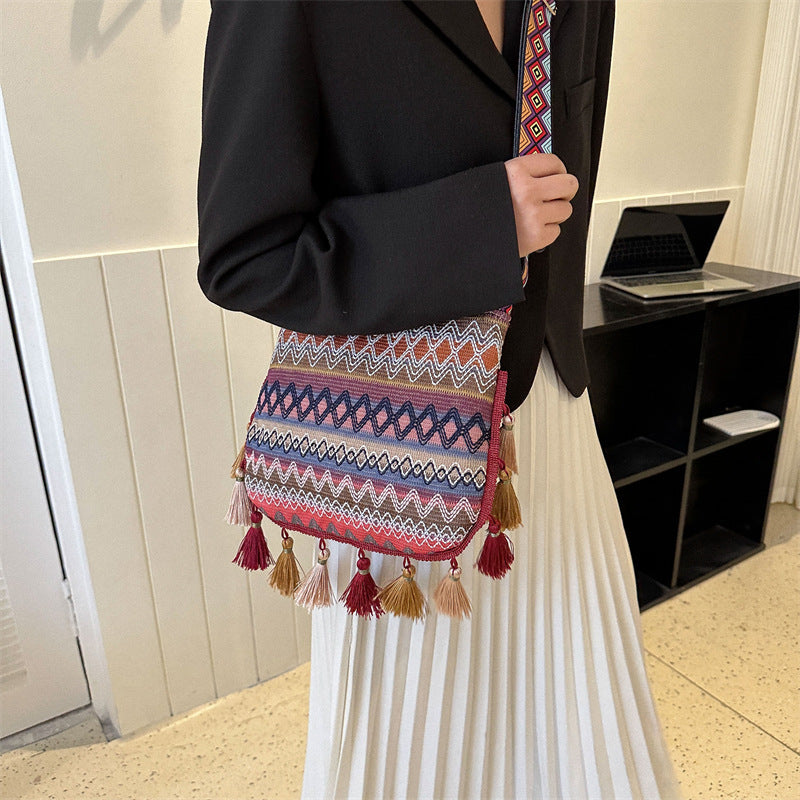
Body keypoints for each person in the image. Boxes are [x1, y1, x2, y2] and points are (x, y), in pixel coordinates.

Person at [197, 1, 685, 797]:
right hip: (399, 447)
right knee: (417, 751)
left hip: (552, 419)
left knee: (584, 730)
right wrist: (483, 223)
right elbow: (245, 254)